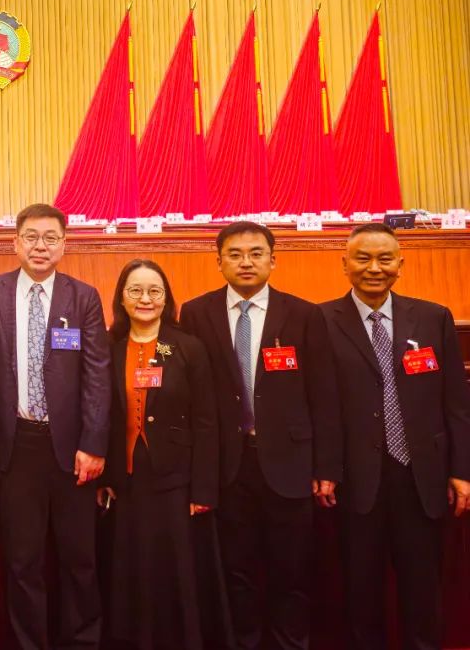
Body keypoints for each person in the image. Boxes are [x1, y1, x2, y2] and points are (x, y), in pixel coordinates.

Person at [179, 222, 340, 650]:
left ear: (273, 259)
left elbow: (323, 396)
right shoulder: (195, 313)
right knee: (237, 573)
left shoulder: (304, 314)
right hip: (228, 466)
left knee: (292, 573)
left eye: (256, 253)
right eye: (234, 254)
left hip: (291, 465)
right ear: (218, 262)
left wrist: (326, 468)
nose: (246, 262)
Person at [320, 223, 470, 650]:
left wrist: (462, 469)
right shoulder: (320, 321)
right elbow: (318, 405)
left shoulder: (433, 317)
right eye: (363, 258)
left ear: (400, 265)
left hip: (421, 476)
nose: (374, 268)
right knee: (360, 592)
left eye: (384, 259)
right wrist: (325, 469)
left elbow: (456, 403)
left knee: (423, 591)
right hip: (355, 478)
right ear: (345, 264)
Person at [0, 203, 111, 650]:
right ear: (15, 242)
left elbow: (97, 374)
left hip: (72, 449)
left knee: (79, 559)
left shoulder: (83, 296)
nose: (40, 246)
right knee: (23, 561)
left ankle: (83, 642)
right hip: (16, 446)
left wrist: (93, 443)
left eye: (50, 238)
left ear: (64, 245)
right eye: (31, 237)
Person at [98, 259, 218, 650]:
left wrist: (203, 488)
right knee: (132, 565)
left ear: (166, 298)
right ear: (121, 298)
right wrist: (107, 476)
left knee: (174, 567)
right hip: (128, 480)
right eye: (135, 290)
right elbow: (102, 416)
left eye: (154, 291)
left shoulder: (188, 347)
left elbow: (206, 421)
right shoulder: (109, 347)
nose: (145, 299)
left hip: (176, 479)